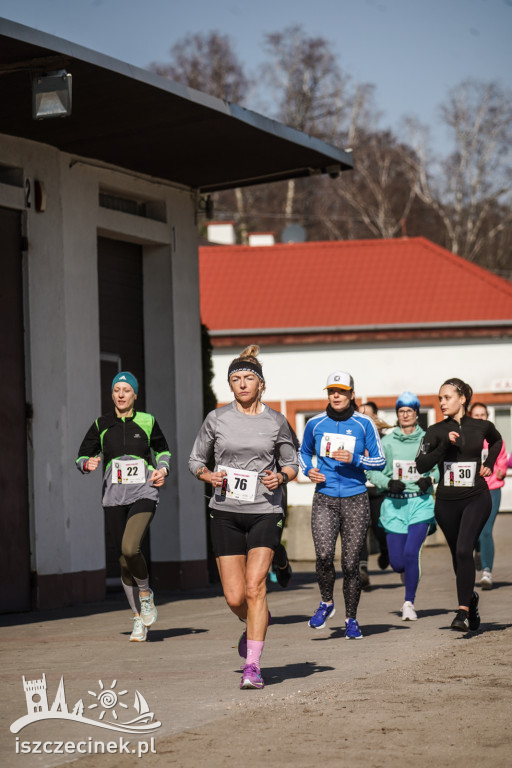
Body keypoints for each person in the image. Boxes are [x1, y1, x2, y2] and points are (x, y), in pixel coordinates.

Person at [189, 346, 298, 689]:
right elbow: (195, 461)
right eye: (235, 379)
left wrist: (280, 477)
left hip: (265, 510)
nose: (242, 384)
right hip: (225, 512)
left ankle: (253, 666)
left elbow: (292, 464)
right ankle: (256, 620)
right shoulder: (216, 419)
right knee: (236, 598)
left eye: (248, 378)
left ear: (261, 384)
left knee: (255, 587)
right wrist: (208, 476)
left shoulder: (276, 421)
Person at [76, 372, 170, 641]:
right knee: (123, 560)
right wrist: (87, 464)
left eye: (126, 390)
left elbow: (163, 451)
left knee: (131, 547)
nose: (120, 394)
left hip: (144, 492)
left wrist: (162, 468)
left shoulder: (148, 421)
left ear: (135, 395)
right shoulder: (101, 424)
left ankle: (145, 593)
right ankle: (138, 618)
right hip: (114, 496)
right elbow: (82, 454)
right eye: (116, 389)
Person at [299, 371, 386, 639]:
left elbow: (380, 460)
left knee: (350, 564)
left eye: (341, 391)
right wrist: (309, 471)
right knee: (324, 555)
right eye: (331, 391)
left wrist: (356, 458)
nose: (336, 396)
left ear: (351, 394)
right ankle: (326, 603)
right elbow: (303, 453)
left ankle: (352, 619)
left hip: (356, 498)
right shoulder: (315, 423)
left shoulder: (364, 424)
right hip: (324, 497)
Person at [415, 378, 502, 632]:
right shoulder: (434, 430)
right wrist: (444, 446)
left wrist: (491, 464)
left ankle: (462, 612)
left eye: (447, 397)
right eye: (440, 398)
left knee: (465, 550)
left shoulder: (482, 425)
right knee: (458, 556)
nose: (442, 402)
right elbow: (420, 464)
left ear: (462, 398)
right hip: (446, 503)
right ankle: (471, 600)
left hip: (476, 496)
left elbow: (497, 442)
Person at [366, 392, 438, 620]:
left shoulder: (428, 439)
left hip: (420, 503)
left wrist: (430, 479)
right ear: (397, 414)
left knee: (411, 553)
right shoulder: (386, 442)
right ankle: (407, 574)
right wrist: (387, 482)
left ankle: (409, 602)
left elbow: (438, 466)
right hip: (394, 505)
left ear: (416, 413)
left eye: (409, 410)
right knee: (397, 563)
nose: (405, 414)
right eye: (401, 410)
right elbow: (371, 469)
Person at [468, 402, 508, 590]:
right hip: (471, 490)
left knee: (486, 529)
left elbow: (502, 460)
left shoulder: (496, 438)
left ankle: (486, 572)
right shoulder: (465, 438)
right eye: (476, 415)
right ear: (470, 417)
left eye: (483, 414)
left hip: (492, 489)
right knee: (472, 530)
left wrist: (500, 470)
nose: (481, 418)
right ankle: (478, 550)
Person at [358, 401, 392, 590]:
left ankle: (385, 550)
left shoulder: (383, 439)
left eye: (369, 414)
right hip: (360, 489)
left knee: (379, 526)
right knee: (361, 529)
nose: (365, 418)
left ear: (376, 416)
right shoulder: (355, 436)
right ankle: (363, 568)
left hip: (378, 490)